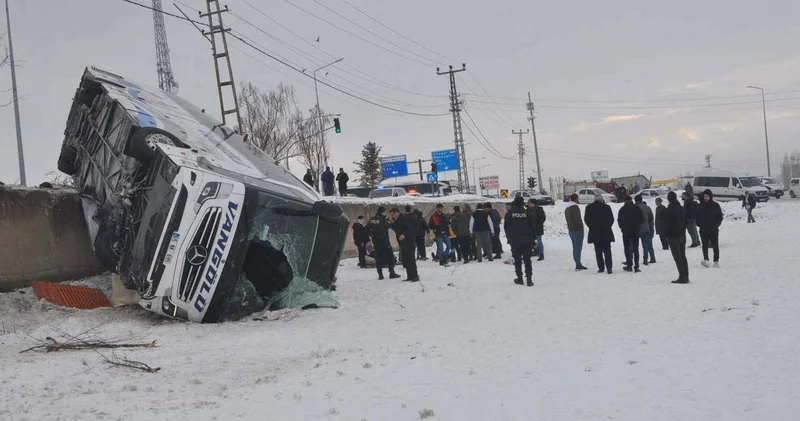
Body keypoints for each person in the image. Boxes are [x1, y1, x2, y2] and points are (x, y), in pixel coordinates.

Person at [504, 196, 536, 286]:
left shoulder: (510, 213)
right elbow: (532, 227)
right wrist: (533, 240)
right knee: (527, 260)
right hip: (527, 240)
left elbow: (506, 227)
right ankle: (529, 279)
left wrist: (509, 238)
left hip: (515, 240)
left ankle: (520, 278)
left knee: (517, 260)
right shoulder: (527, 213)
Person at [366, 206, 400, 280]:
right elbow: (391, 225)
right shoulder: (384, 219)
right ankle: (391, 273)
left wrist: (371, 235)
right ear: (382, 212)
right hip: (385, 241)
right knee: (389, 257)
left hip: (376, 242)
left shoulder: (372, 219)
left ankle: (380, 274)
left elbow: (366, 228)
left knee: (378, 258)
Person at [584, 193, 615, 274]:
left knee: (598, 251)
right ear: (602, 199)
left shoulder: (589, 207)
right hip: (606, 232)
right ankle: (609, 268)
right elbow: (611, 219)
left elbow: (586, 219)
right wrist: (607, 226)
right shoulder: (607, 207)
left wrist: (592, 227)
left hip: (595, 232)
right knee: (607, 251)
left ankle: (601, 268)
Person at [664, 191, 689, 284]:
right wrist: (683, 229)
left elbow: (666, 224)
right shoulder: (681, 208)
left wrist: (666, 235)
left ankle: (682, 276)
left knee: (677, 258)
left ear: (669, 199)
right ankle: (686, 276)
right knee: (683, 256)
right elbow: (686, 221)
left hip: (673, 236)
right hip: (682, 235)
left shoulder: (669, 210)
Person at [389, 208, 419, 282]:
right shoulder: (396, 221)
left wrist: (404, 234)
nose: (393, 216)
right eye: (391, 215)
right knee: (406, 260)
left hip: (409, 241)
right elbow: (396, 229)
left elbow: (410, 228)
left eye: (393, 214)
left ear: (397, 213)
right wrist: (392, 222)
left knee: (411, 259)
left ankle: (415, 276)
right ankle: (409, 276)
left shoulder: (405, 218)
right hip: (402, 242)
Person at [697, 189, 723, 267]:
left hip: (713, 229)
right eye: (704, 196)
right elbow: (697, 217)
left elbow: (720, 217)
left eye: (707, 196)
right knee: (704, 245)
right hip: (703, 229)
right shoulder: (700, 205)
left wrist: (716, 225)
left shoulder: (716, 205)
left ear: (710, 196)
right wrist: (700, 225)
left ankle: (716, 261)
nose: (705, 198)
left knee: (715, 245)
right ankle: (706, 259)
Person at [617, 196, 644, 272]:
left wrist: (622, 228)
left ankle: (629, 265)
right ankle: (636, 266)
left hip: (626, 232)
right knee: (636, 249)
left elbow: (619, 220)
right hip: (635, 231)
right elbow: (642, 220)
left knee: (627, 248)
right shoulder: (637, 209)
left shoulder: (622, 210)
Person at [564, 194, 587, 271]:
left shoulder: (567, 208)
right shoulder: (575, 207)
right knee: (578, 248)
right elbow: (577, 219)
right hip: (577, 230)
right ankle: (578, 264)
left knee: (574, 247)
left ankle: (577, 263)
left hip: (570, 229)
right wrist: (581, 228)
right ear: (576, 199)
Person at [635, 194, 656, 265]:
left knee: (633, 245)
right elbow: (651, 218)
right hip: (646, 228)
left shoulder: (634, 207)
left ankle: (631, 260)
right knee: (646, 244)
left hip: (636, 229)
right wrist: (651, 228)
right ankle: (647, 259)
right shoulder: (647, 207)